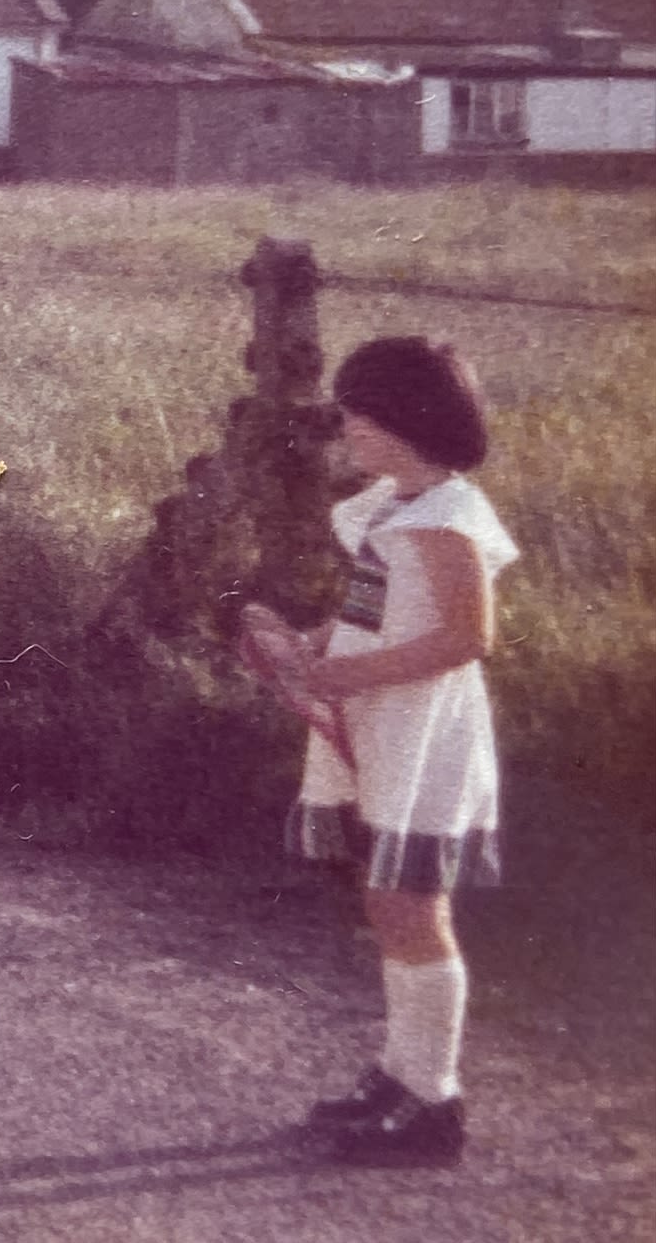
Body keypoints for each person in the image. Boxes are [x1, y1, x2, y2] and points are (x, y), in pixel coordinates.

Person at [259, 336, 513, 1169]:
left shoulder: (444, 518)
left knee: (411, 908)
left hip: (426, 736)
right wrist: (315, 641)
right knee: (387, 901)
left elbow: (468, 636)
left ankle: (434, 1102)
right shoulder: (394, 505)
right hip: (384, 727)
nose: (347, 429)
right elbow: (372, 603)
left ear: (408, 418)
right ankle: (400, 1075)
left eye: (358, 415)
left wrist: (350, 672)